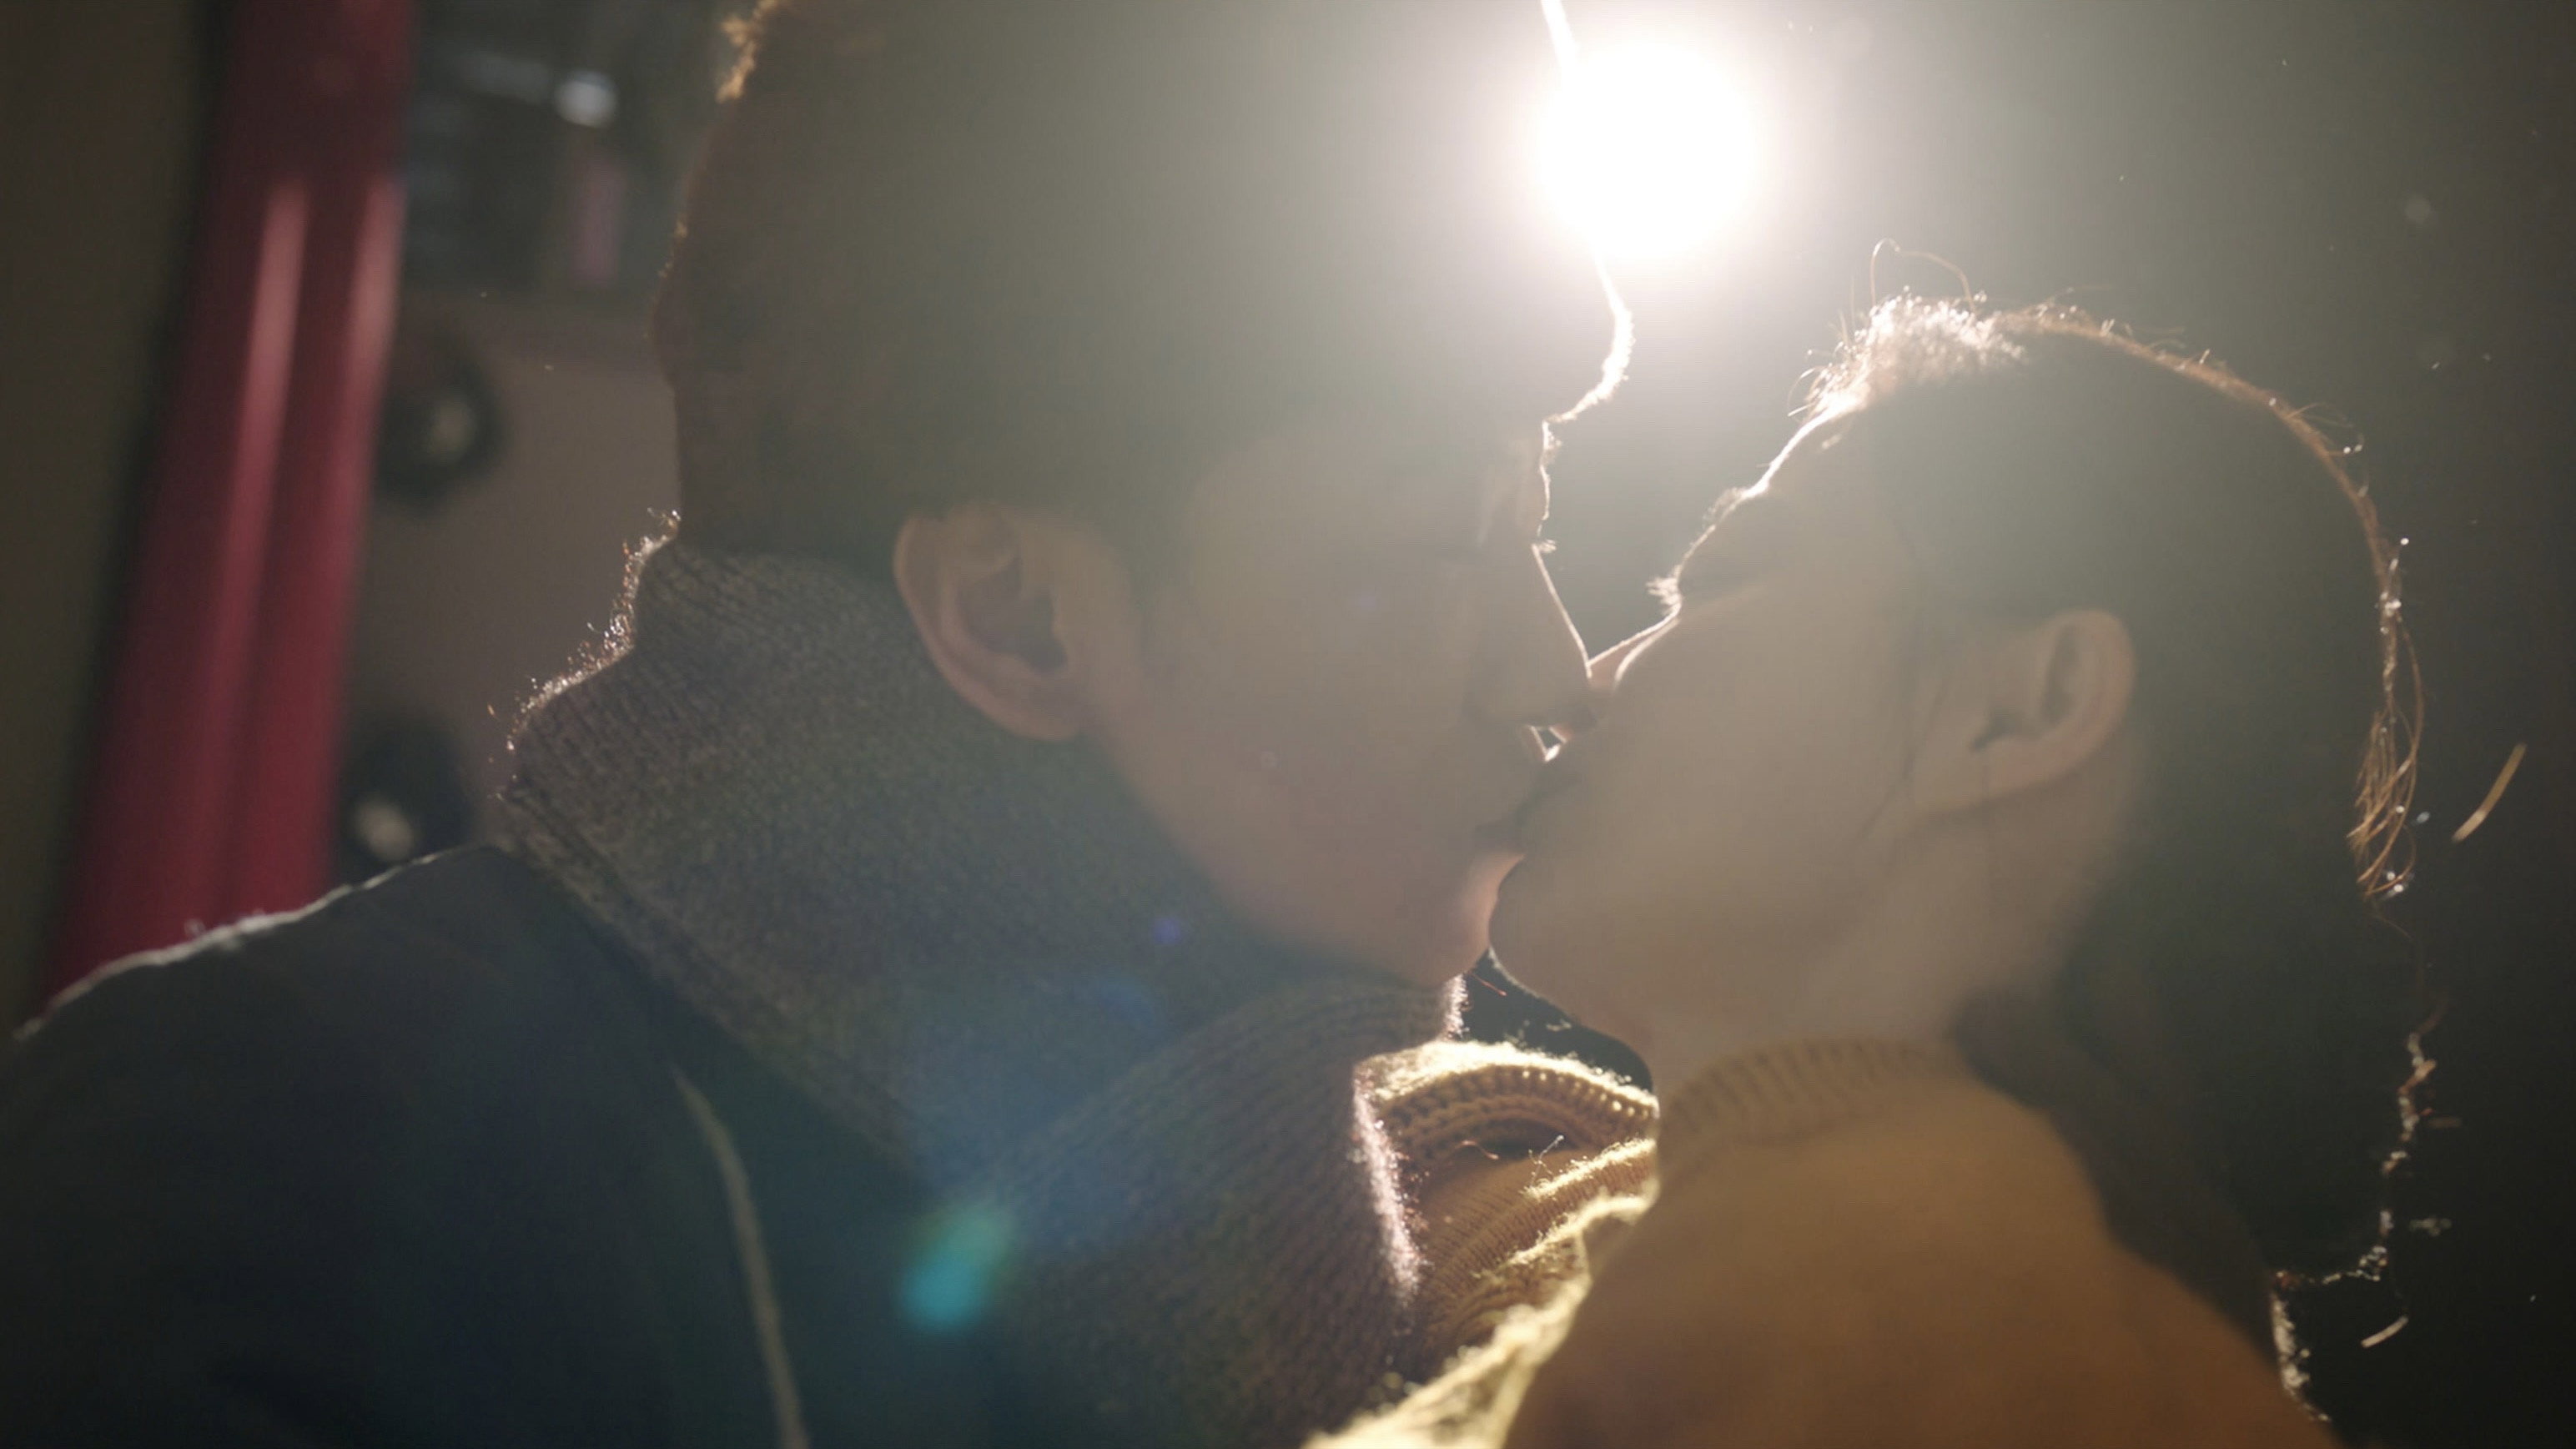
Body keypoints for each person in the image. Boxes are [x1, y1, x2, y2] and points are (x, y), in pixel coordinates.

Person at [0, 4, 1660, 1447]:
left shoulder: (1467, 1233)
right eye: (1440, 541)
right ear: (1016, 617)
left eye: (1538, 526)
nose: (1557, 668)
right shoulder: (260, 1148)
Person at [1322, 297, 2420, 1448]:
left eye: (1722, 578)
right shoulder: (1995, 1306)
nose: (1585, 679)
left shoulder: (1889, 1349)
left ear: (2023, 708)